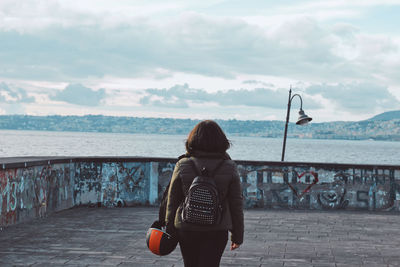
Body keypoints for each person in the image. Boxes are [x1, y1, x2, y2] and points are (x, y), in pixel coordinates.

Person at [165, 120, 244, 267]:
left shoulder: (183, 164)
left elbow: (172, 201)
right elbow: (236, 204)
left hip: (187, 227)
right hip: (217, 229)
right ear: (221, 141)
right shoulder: (229, 167)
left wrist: (170, 231)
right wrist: (237, 236)